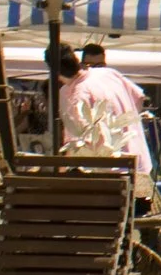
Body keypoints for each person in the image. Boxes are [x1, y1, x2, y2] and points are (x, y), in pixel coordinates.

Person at [62, 42, 151, 179]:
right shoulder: (111, 74)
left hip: (115, 170)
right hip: (136, 164)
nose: (97, 69)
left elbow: (77, 138)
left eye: (100, 65)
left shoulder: (80, 90)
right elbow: (139, 100)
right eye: (92, 66)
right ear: (82, 64)